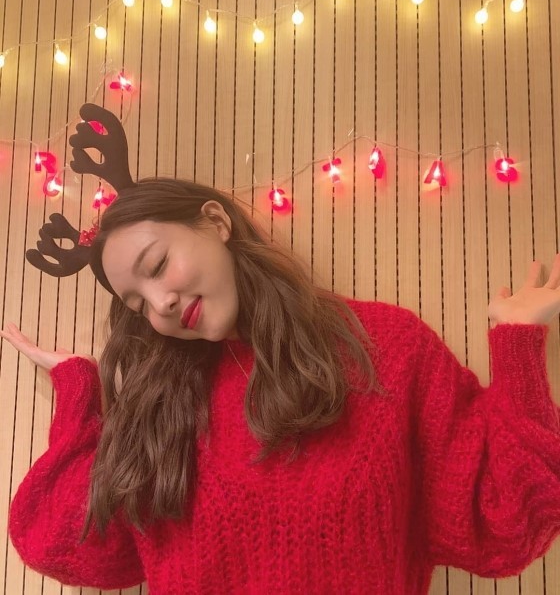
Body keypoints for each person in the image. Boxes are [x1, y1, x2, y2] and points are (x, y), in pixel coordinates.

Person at [3, 177, 560, 595]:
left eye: (158, 265)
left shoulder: (386, 350)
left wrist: (519, 344)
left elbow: (508, 522)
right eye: (136, 303)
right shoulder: (163, 410)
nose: (160, 304)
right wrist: (78, 391)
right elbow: (55, 539)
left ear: (215, 222)